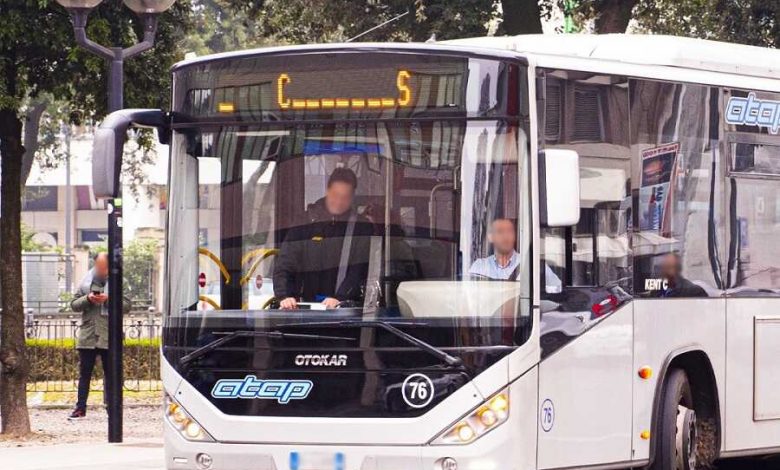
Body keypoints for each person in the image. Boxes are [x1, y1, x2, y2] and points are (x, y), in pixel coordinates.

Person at [273, 167, 372, 310]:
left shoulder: (361, 227)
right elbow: (285, 263)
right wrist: (285, 296)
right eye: (335, 195)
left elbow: (359, 270)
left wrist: (340, 298)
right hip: (302, 308)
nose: (339, 201)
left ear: (352, 198)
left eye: (345, 197)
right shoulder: (304, 222)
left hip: (343, 310)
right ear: (327, 191)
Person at [68, 252, 110, 420]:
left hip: (109, 336)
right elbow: (73, 305)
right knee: (84, 374)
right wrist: (88, 299)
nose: (100, 268)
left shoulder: (118, 282)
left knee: (111, 375)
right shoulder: (86, 282)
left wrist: (108, 299)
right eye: (98, 265)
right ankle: (80, 408)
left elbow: (127, 306)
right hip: (88, 336)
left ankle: (112, 408)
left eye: (103, 265)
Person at [470, 218, 561, 290]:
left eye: (509, 231)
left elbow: (557, 289)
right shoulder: (479, 267)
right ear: (490, 237)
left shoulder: (532, 265)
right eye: (500, 232)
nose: (505, 237)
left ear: (515, 236)